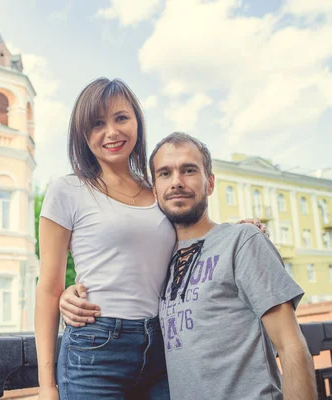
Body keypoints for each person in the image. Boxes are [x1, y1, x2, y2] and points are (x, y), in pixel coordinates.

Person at [35, 77, 266, 400]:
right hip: (96, 347)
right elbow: (49, 288)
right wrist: (47, 386)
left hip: (163, 344)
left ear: (137, 123)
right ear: (83, 134)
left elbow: (190, 238)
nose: (111, 132)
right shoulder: (67, 190)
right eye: (97, 123)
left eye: (121, 118)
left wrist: (236, 231)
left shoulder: (157, 189)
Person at [60, 132, 317, 399]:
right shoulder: (160, 260)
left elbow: (291, 347)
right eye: (164, 174)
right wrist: (70, 294)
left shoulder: (242, 241)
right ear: (154, 189)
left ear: (210, 183)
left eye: (189, 170)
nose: (177, 182)